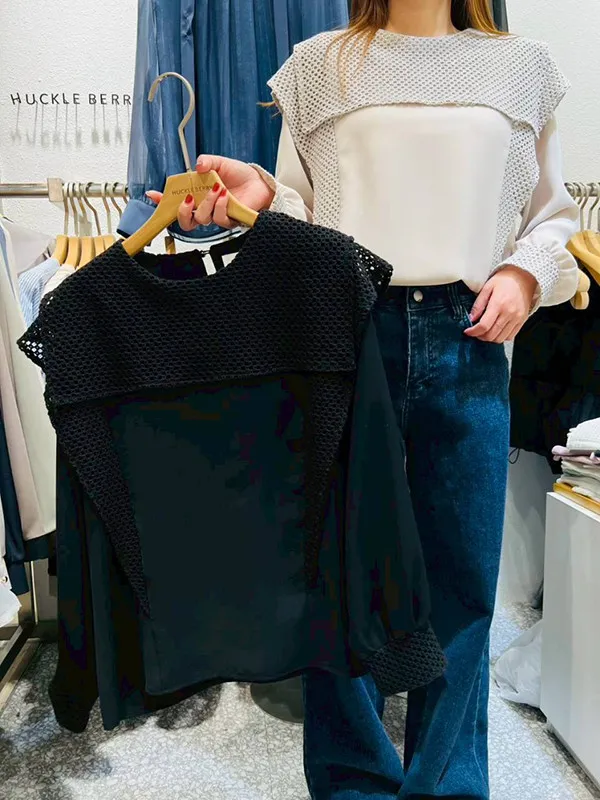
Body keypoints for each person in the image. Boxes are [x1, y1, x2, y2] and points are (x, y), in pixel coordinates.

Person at [148, 1, 579, 797]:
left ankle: (448, 786)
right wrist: (261, 196)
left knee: (461, 589)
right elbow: (305, 219)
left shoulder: (521, 67)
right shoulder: (320, 66)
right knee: (338, 585)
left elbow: (553, 219)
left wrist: (525, 274)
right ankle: (354, 785)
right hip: (346, 334)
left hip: (470, 338)